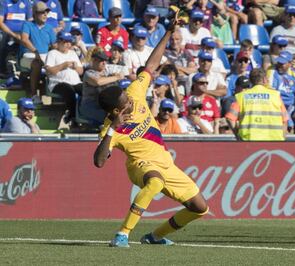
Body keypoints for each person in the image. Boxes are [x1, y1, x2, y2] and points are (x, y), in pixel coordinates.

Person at [94, 14, 209, 248]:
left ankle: (154, 236)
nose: (130, 97)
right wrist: (111, 131)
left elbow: (151, 65)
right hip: (140, 166)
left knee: (200, 208)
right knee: (154, 183)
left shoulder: (135, 92)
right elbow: (98, 162)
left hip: (166, 163)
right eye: (124, 99)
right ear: (117, 109)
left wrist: (168, 31)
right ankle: (122, 234)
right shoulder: (110, 128)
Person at [229, 68, 288, 141]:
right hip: (274, 140)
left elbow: (230, 118)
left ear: (250, 81)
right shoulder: (276, 95)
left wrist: (237, 135)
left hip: (249, 140)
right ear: (264, 79)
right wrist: (283, 137)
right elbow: (285, 120)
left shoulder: (241, 96)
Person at [19, 1, 56, 100]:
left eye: (46, 12)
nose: (45, 14)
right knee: (37, 63)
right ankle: (34, 94)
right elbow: (24, 39)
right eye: (42, 12)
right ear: (34, 13)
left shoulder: (49, 28)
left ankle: (56, 95)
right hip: (28, 55)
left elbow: (54, 45)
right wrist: (36, 52)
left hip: (45, 56)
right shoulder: (27, 24)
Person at [45, 31, 83, 124]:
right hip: (58, 83)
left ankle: (83, 114)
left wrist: (75, 67)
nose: (67, 44)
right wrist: (63, 65)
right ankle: (73, 116)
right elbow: (49, 71)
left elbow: (81, 71)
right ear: (59, 42)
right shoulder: (52, 53)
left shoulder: (73, 53)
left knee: (85, 90)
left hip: (75, 82)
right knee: (68, 89)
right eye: (65, 42)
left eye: (69, 42)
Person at [79, 50, 124, 126]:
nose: (104, 63)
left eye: (105, 61)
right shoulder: (89, 73)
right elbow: (98, 82)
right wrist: (116, 77)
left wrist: (115, 76)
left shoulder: (107, 73)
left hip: (105, 105)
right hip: (90, 106)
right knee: (111, 117)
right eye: (101, 61)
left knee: (122, 112)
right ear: (94, 61)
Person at [0, 0, 32, 78]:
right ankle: (3, 70)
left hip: (22, 33)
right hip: (7, 32)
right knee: (2, 40)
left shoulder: (26, 2)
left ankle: (25, 71)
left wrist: (24, 33)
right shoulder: (3, 2)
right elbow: (0, 22)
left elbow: (30, 21)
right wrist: (14, 35)